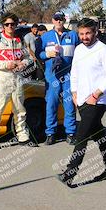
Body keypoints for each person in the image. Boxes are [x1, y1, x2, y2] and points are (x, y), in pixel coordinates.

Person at [57, 18, 106, 187]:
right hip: (81, 100)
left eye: (88, 33)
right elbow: (74, 71)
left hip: (97, 101)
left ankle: (69, 175)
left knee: (81, 137)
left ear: (95, 32)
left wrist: (96, 94)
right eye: (81, 34)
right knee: (99, 136)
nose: (85, 37)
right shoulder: (78, 49)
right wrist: (74, 93)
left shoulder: (104, 50)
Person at [0, 13, 34, 151]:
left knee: (20, 109)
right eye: (7, 24)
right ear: (3, 26)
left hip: (18, 78)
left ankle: (23, 137)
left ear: (16, 25)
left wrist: (23, 63)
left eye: (12, 24)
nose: (10, 26)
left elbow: (29, 58)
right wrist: (7, 64)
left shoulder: (20, 40)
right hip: (2, 78)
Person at [39, 11, 78, 145]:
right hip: (52, 76)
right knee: (51, 104)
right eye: (56, 19)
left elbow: (80, 53)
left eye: (61, 19)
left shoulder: (72, 35)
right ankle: (50, 133)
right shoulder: (46, 36)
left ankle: (71, 133)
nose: (59, 21)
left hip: (68, 75)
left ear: (64, 20)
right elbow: (39, 54)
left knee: (70, 105)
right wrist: (47, 54)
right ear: (53, 20)